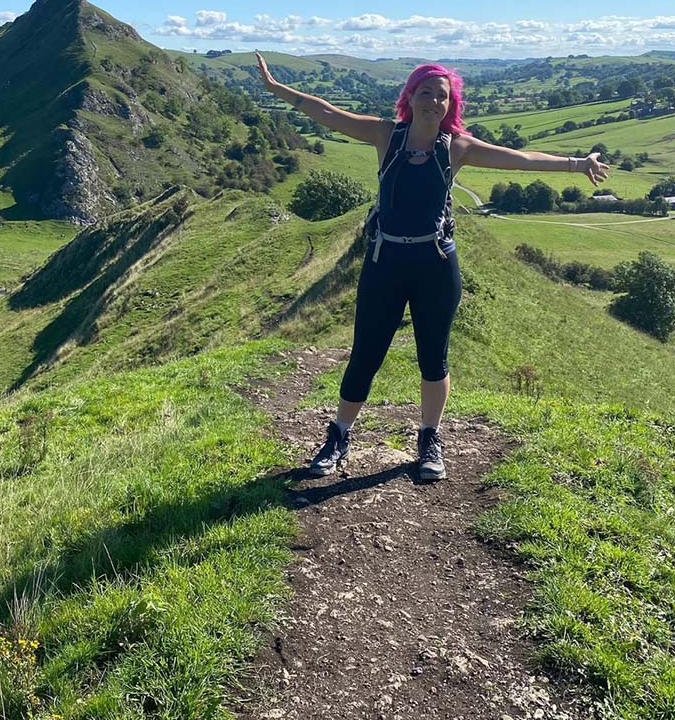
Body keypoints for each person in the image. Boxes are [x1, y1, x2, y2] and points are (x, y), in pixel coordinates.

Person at [255, 54, 609, 481]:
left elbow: (522, 158)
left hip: (437, 265)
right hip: (385, 262)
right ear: (410, 97)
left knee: (433, 358)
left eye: (442, 96)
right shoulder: (386, 136)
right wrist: (277, 89)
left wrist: (578, 164)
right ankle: (339, 436)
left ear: (450, 105)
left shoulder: (456, 147)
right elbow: (327, 113)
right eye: (426, 93)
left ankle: (429, 440)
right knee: (366, 355)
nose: (433, 102)